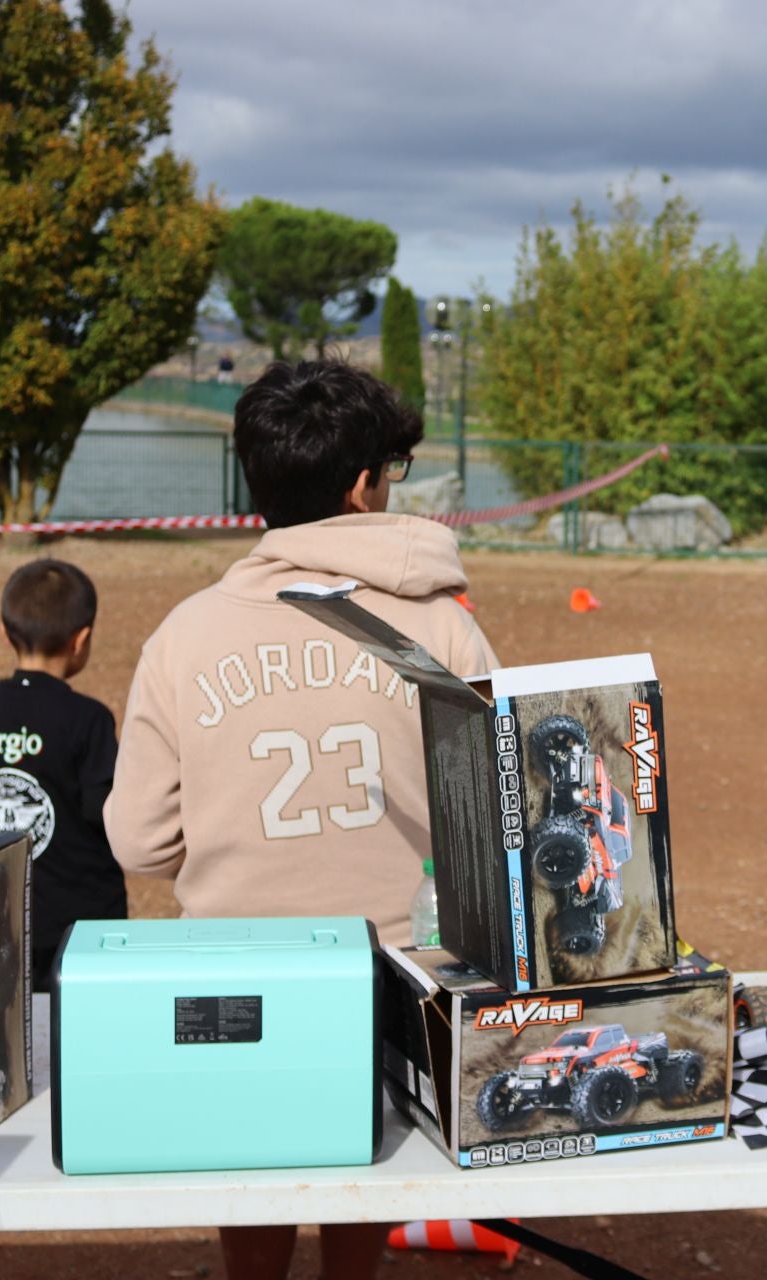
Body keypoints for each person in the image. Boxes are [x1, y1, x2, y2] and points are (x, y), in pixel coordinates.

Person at [105, 356, 497, 1280]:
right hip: (397, 983)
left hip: (234, 980)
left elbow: (138, 840)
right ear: (364, 487)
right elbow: (489, 810)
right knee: (358, 1163)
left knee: (256, 1165)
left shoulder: (186, 632)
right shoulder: (439, 628)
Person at [0, 559, 125, 992]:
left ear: (4, 632)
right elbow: (105, 814)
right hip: (79, 925)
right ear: (80, 641)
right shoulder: (89, 720)